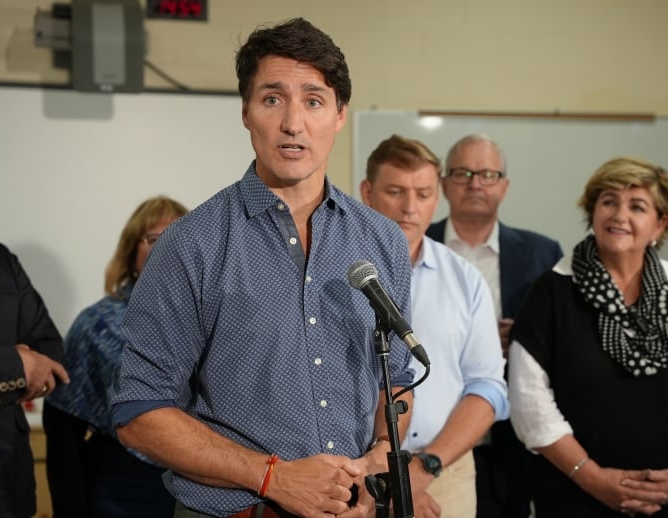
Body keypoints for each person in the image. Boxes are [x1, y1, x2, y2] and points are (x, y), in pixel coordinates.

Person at [110, 18, 415, 518]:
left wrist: (381, 456)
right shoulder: (191, 244)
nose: (293, 123)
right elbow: (139, 412)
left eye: (313, 101)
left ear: (339, 115)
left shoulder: (381, 240)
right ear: (247, 113)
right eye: (273, 99)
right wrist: (274, 477)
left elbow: (396, 379)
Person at [508, 157, 668, 517]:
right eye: (608, 201)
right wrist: (594, 479)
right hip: (575, 497)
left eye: (637, 206)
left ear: (660, 223)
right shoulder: (552, 291)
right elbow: (528, 403)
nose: (619, 215)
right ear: (592, 212)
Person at [360, 134, 509, 518]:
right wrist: (385, 473)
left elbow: (487, 387)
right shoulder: (333, 274)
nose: (410, 207)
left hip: (444, 471)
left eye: (424, 194)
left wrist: (422, 469)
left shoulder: (465, 279)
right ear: (367, 192)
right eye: (395, 191)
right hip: (353, 471)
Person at [426, 134, 562, 517]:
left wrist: (522, 338)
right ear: (444, 183)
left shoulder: (542, 253)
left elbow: (563, 341)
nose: (475, 183)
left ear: (504, 186)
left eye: (487, 174)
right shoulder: (413, 243)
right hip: (428, 436)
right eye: (463, 173)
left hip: (512, 437)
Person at [43, 195, 188, 518]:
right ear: (131, 252)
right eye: (153, 239)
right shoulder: (96, 324)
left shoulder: (216, 320)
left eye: (177, 237)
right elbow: (62, 430)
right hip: (123, 489)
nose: (165, 247)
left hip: (201, 485)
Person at [0, 242, 70, 518]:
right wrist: (16, 365)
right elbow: (27, 365)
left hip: (10, 485)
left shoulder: (3, 261)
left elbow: (51, 352)